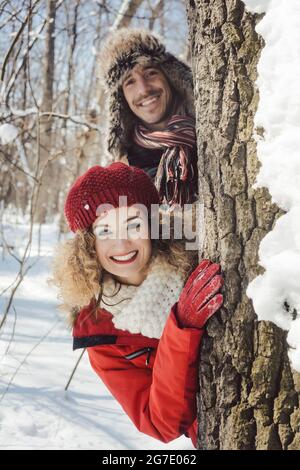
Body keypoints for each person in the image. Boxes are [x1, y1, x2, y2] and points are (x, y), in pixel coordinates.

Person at [51, 162, 224, 448]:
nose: (121, 244)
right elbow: (161, 424)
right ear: (87, 244)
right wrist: (181, 327)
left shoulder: (200, 254)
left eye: (134, 224)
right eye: (105, 230)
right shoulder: (101, 333)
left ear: (154, 226)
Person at [97, 28, 198, 208]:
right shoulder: (124, 171)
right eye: (130, 82)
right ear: (121, 100)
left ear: (170, 76)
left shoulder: (211, 131)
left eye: (150, 73)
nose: (143, 89)